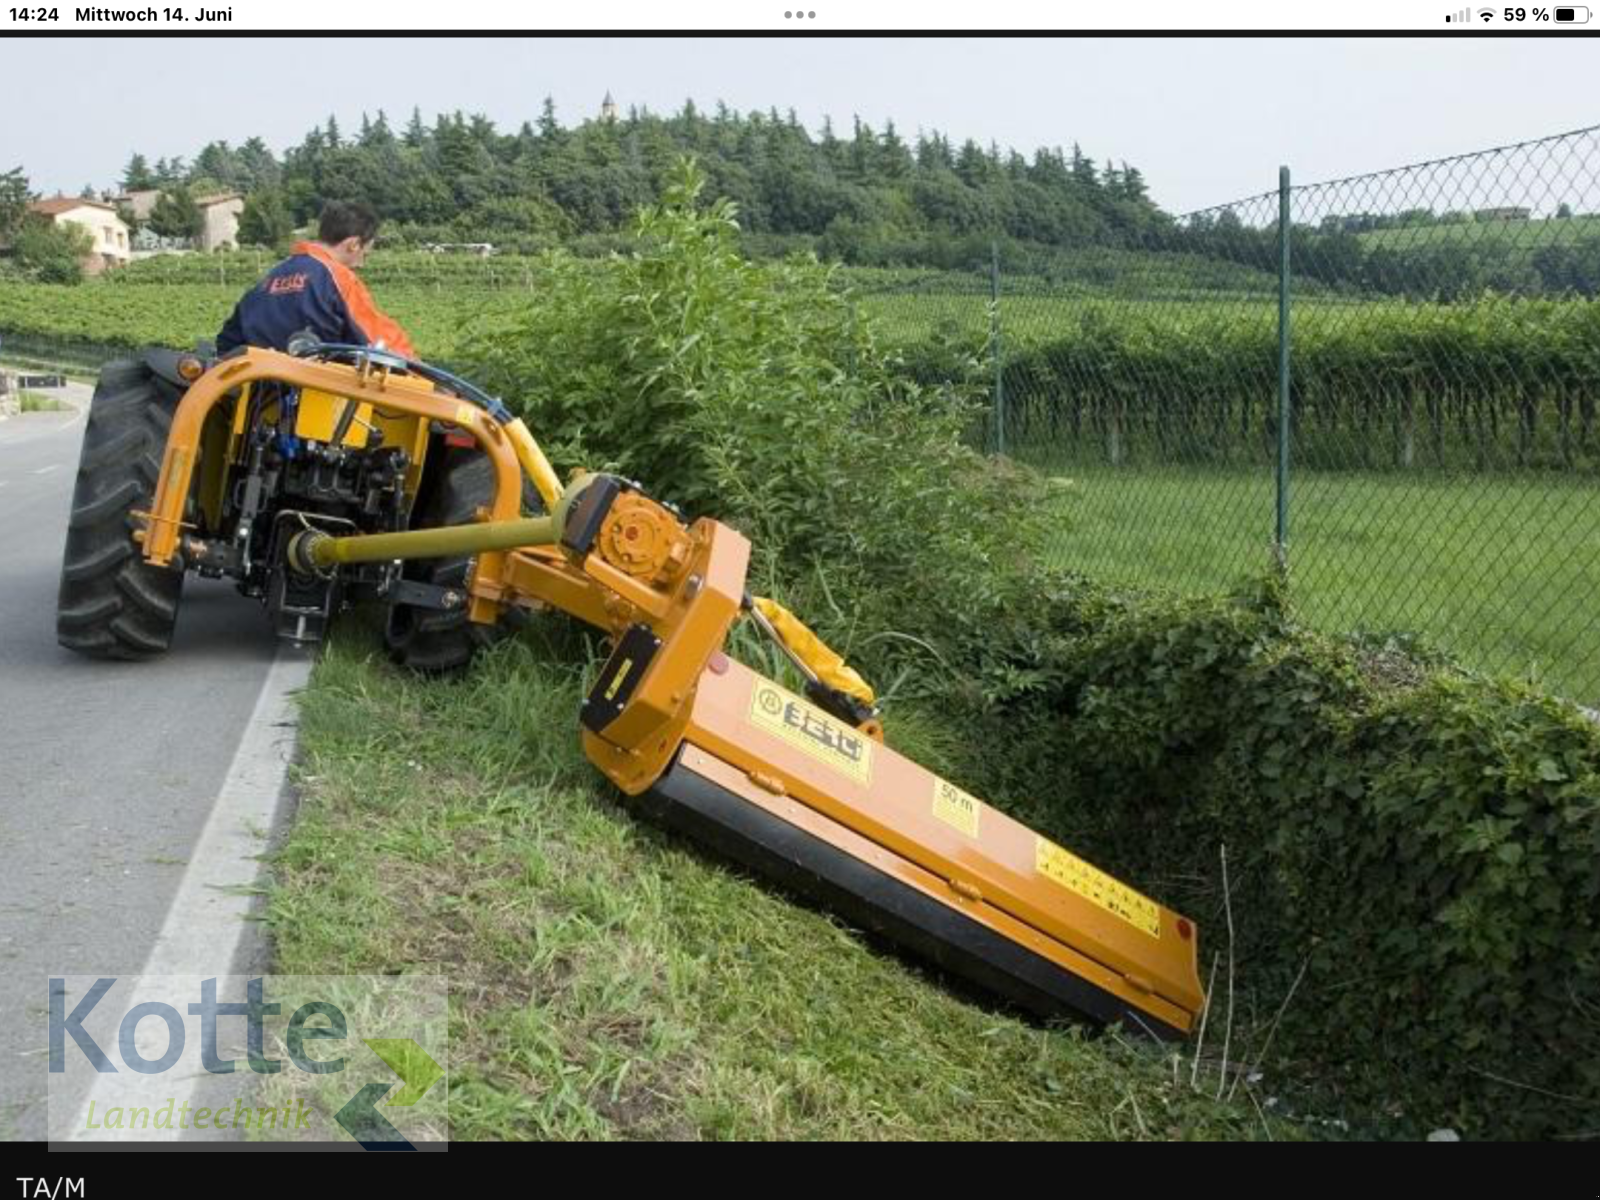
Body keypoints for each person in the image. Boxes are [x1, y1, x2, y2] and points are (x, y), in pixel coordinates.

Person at [216, 200, 417, 359]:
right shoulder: (338, 277)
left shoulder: (269, 278)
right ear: (353, 244)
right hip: (319, 397)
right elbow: (377, 340)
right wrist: (417, 366)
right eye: (366, 254)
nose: (361, 264)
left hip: (262, 398)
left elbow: (228, 342)